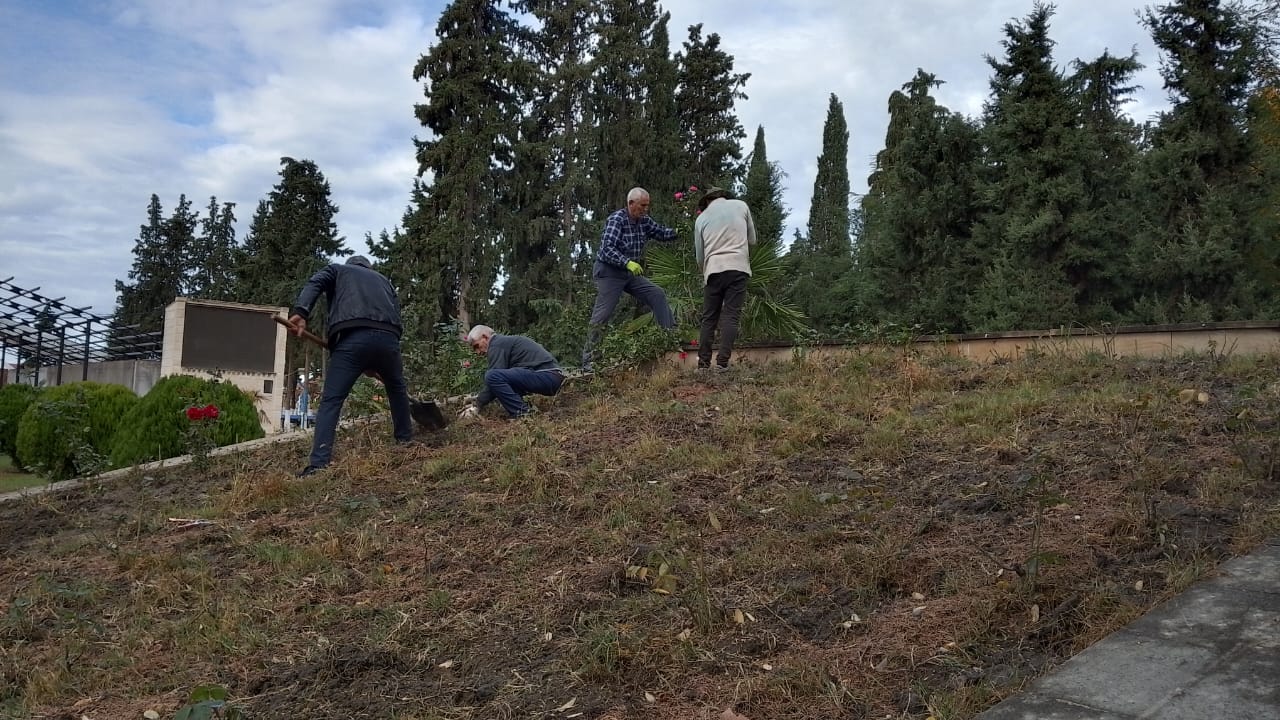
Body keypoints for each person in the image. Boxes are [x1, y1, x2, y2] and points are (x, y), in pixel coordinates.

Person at [287, 255, 413, 476]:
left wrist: (301, 311)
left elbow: (316, 282)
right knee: (397, 390)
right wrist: (377, 357)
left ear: (351, 265)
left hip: (351, 339)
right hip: (389, 340)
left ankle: (318, 464)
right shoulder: (384, 281)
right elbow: (395, 310)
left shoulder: (337, 270)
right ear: (368, 267)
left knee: (332, 400)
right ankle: (405, 444)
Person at [580, 187, 680, 371]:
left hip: (628, 273)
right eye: (642, 206)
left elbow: (661, 233)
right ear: (631, 203)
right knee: (603, 314)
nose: (645, 209)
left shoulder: (644, 221)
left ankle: (670, 338)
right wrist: (627, 262)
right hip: (609, 272)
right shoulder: (617, 220)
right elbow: (607, 249)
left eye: (647, 206)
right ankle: (589, 361)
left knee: (657, 294)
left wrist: (681, 230)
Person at [693, 187, 756, 370]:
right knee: (731, 316)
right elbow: (752, 240)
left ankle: (703, 363)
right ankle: (722, 363)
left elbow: (700, 257)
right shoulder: (741, 206)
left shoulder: (701, 219)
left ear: (707, 201)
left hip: (713, 270)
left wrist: (705, 272)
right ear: (724, 197)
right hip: (738, 267)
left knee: (709, 318)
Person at [458, 325, 564, 420]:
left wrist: (476, 405)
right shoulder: (504, 343)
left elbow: (493, 380)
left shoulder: (496, 344)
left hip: (548, 376)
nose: (477, 352)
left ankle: (523, 414)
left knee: (491, 376)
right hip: (552, 377)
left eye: (477, 346)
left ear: (485, 337)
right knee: (502, 379)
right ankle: (525, 409)